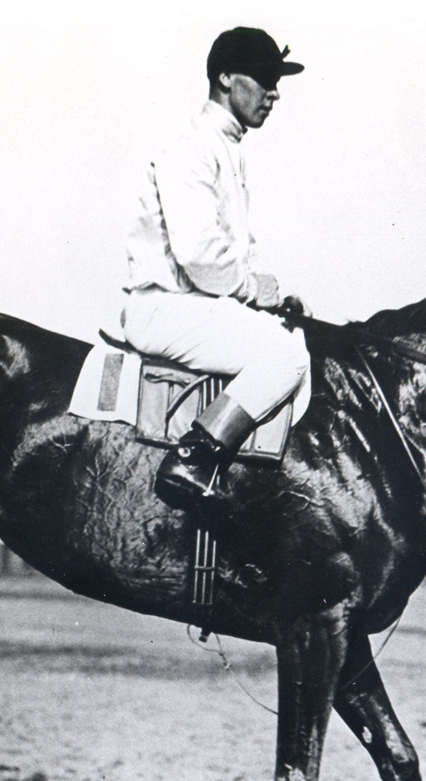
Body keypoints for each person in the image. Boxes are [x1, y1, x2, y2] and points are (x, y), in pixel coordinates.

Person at [120, 26, 311, 513]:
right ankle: (192, 458)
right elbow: (201, 258)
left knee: (292, 343)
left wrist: (270, 295)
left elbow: (233, 252)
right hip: (165, 306)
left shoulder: (228, 148)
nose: (274, 93)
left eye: (277, 82)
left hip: (193, 305)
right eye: (264, 78)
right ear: (225, 77)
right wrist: (254, 291)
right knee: (287, 357)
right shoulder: (194, 148)